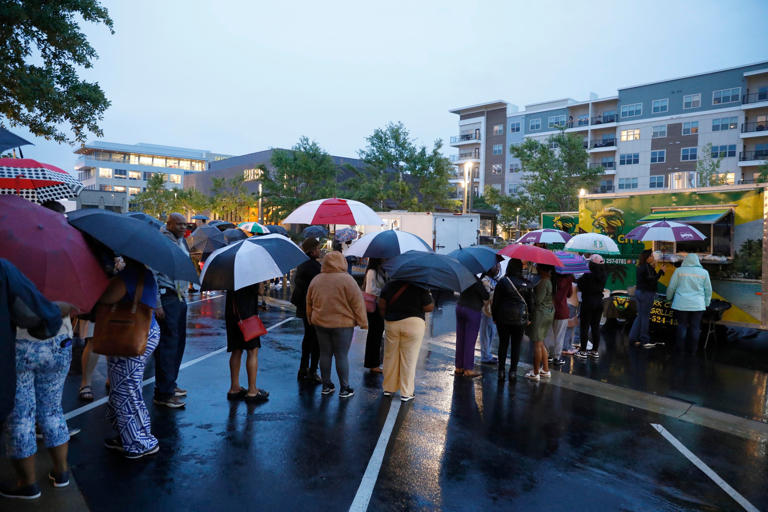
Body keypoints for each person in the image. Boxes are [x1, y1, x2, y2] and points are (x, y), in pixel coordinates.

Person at [0, 259, 70, 499]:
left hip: (19, 346)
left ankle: (27, 483)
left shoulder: (10, 264)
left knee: (21, 416)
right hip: (60, 342)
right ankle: (61, 473)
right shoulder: (66, 261)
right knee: (52, 409)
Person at [102, 262, 162, 459]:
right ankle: (129, 435)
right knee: (127, 388)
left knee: (127, 390)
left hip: (130, 336)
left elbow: (106, 297)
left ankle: (139, 441)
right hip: (145, 331)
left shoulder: (129, 275)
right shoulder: (146, 273)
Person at [306, 251, 368, 398]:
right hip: (343, 324)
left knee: (325, 354)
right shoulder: (348, 280)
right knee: (341, 355)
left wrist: (310, 318)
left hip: (320, 322)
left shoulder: (316, 280)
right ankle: (344, 388)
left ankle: (326, 385)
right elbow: (357, 303)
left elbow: (309, 302)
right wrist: (363, 322)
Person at [153, 213, 192, 408]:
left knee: (177, 344)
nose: (183, 227)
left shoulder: (181, 241)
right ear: (168, 224)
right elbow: (153, 273)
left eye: (185, 224)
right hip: (167, 297)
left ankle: (170, 384)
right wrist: (157, 302)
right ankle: (163, 393)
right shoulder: (161, 242)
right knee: (167, 347)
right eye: (179, 224)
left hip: (179, 297)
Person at [378, 280, 434, 402]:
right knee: (409, 358)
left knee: (390, 356)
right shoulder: (420, 285)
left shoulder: (390, 284)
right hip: (414, 324)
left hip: (392, 323)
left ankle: (388, 388)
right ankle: (406, 392)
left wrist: (386, 318)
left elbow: (381, 304)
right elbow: (429, 307)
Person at [224, 283, 269, 402]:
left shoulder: (231, 271)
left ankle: (234, 388)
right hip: (247, 315)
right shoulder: (250, 271)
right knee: (252, 350)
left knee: (236, 350)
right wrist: (262, 282)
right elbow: (259, 291)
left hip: (232, 314)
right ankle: (252, 390)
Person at [492, 259, 534, 382]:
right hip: (520, 320)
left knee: (503, 344)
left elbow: (496, 302)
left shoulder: (503, 282)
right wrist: (529, 318)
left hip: (503, 318)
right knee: (516, 345)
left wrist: (495, 317)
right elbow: (531, 303)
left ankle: (501, 371)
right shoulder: (527, 283)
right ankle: (513, 372)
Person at [665, 253, 712, 355]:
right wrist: (707, 303)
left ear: (685, 260)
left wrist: (668, 298)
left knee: (682, 326)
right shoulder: (704, 272)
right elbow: (708, 290)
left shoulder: (679, 271)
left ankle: (680, 350)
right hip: (698, 305)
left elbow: (671, 287)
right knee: (695, 327)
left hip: (681, 304)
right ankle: (693, 350)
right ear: (697, 261)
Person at [291, 238, 322, 383]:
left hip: (303, 306)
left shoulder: (302, 264)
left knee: (308, 337)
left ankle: (303, 368)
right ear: (311, 250)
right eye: (317, 248)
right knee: (315, 339)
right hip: (313, 306)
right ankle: (312, 370)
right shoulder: (314, 267)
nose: (319, 250)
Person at [454, 270, 490, 378]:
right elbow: (486, 296)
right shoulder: (476, 281)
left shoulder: (462, 277)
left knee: (460, 338)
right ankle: (468, 369)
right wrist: (484, 286)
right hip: (472, 310)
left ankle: (459, 367)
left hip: (460, 307)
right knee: (470, 340)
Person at [629, 250, 665, 347]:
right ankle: (644, 339)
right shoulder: (647, 267)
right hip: (646, 294)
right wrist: (661, 271)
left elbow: (648, 277)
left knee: (640, 316)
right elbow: (652, 280)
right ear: (647, 257)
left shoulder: (641, 266)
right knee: (645, 317)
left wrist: (653, 269)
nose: (653, 257)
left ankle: (632, 337)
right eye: (652, 256)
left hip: (639, 292)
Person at [576, 255, 607, 360]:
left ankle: (583, 351)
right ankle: (595, 351)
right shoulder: (603, 274)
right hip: (599, 302)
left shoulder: (588, 274)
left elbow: (580, 285)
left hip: (588, 302)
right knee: (595, 326)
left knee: (584, 327)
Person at [526, 264, 555, 381]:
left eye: (538, 267)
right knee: (541, 342)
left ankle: (536, 372)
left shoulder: (543, 282)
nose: (536, 269)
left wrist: (531, 291)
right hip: (548, 313)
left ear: (543, 270)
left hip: (540, 314)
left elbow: (538, 300)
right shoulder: (549, 281)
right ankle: (545, 370)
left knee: (537, 344)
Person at [544, 271, 574, 366]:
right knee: (559, 336)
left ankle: (547, 355)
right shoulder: (569, 278)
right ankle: (556, 357)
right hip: (562, 310)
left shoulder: (551, 277)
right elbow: (569, 294)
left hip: (550, 308)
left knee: (548, 334)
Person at [363, 258, 387, 373]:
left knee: (376, 335)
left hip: (379, 306)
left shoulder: (381, 271)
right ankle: (373, 364)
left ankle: (373, 363)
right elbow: (370, 290)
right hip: (374, 307)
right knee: (374, 335)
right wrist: (384, 292)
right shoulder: (372, 272)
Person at [478, 262, 501, 365]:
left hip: (493, 311)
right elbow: (488, 295)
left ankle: (488, 354)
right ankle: (485, 356)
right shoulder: (485, 280)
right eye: (496, 266)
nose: (498, 268)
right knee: (486, 334)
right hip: (487, 311)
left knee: (491, 333)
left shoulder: (493, 280)